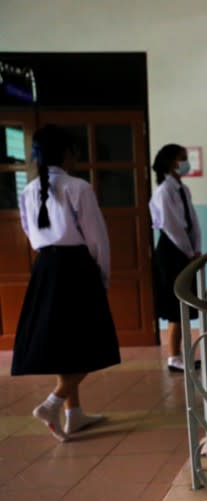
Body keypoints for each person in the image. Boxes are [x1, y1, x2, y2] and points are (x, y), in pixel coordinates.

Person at [12, 124, 120, 442]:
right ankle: (54, 402)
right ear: (68, 154)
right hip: (76, 269)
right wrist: (103, 275)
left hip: (45, 267)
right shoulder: (79, 187)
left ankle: (74, 414)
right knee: (90, 344)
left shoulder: (27, 190)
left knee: (64, 344)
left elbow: (32, 236)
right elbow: (97, 238)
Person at [149, 143, 202, 372]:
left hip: (186, 250)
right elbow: (172, 227)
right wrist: (189, 252)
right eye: (182, 158)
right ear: (171, 163)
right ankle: (174, 356)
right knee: (175, 307)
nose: (185, 162)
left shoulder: (183, 189)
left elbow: (193, 222)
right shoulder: (164, 191)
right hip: (172, 251)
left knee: (184, 306)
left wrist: (196, 247)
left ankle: (182, 355)